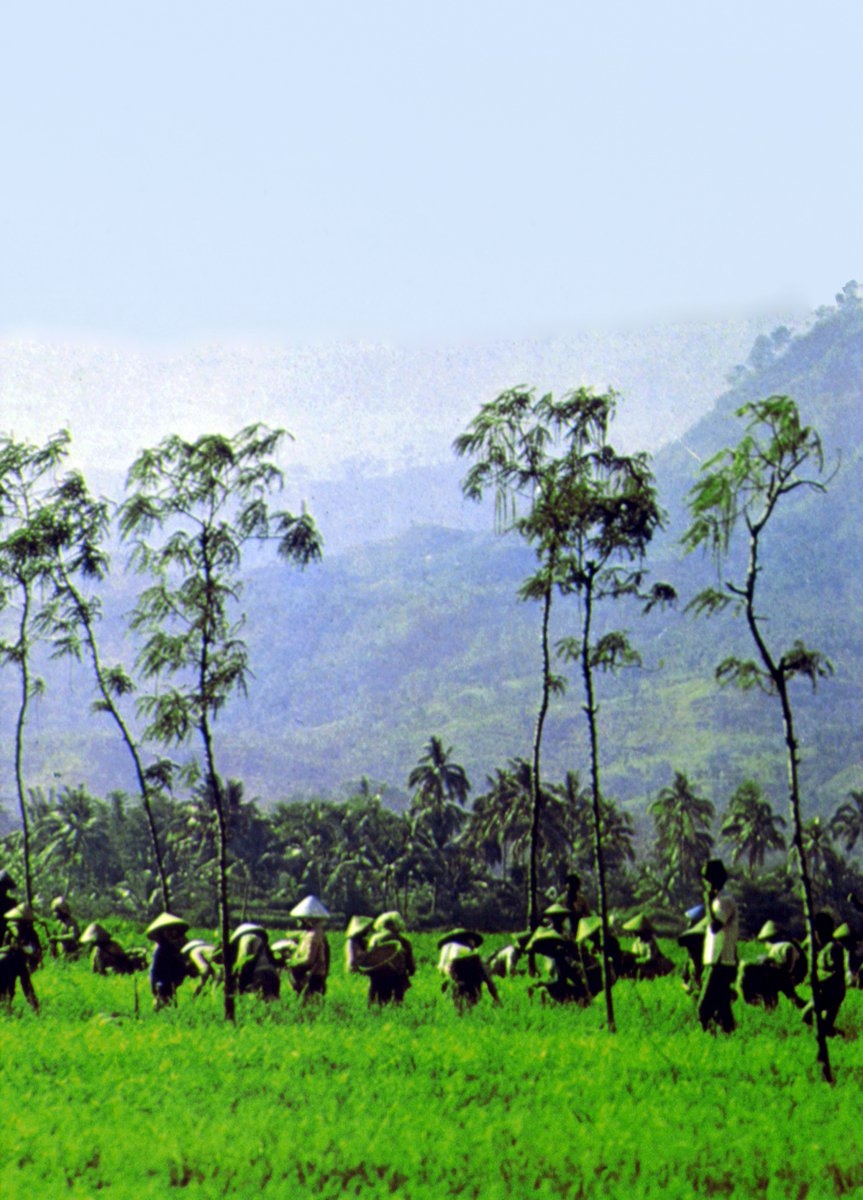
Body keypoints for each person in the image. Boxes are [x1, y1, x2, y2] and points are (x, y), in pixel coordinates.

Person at [698, 858, 739, 1034]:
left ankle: (708, 1039)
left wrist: (707, 903)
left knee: (703, 1008)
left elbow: (715, 927)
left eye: (707, 879)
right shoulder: (718, 901)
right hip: (715, 961)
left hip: (721, 962)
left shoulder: (724, 901)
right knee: (723, 1009)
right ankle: (731, 1042)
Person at [802, 910, 848, 1037]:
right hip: (824, 990)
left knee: (808, 1016)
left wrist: (819, 981)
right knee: (820, 1025)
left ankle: (841, 1038)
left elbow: (836, 973)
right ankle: (841, 1036)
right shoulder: (822, 948)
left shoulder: (833, 948)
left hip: (833, 992)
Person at [358, 911, 415, 1006]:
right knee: (396, 1005)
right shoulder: (404, 941)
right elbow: (411, 966)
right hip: (398, 978)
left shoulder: (375, 939)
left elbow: (369, 958)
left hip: (377, 977)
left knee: (377, 1004)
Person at [438, 929, 501, 1013]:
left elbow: (445, 971)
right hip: (465, 979)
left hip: (451, 979)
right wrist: (495, 997)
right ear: (467, 939)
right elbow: (485, 976)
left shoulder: (446, 950)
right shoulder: (467, 951)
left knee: (457, 1004)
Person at [288, 896, 331, 1003]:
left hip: (312, 978)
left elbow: (309, 960)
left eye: (300, 919)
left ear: (307, 919)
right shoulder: (316, 933)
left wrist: (292, 962)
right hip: (317, 976)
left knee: (309, 1006)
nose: (298, 922)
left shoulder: (312, 936)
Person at [146, 912, 190, 1009]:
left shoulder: (178, 946)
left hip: (174, 981)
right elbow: (153, 969)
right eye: (168, 931)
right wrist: (153, 987)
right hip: (163, 982)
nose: (171, 933)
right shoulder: (160, 948)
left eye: (173, 930)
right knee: (163, 1001)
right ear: (162, 933)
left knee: (171, 1002)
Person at [231, 922, 281, 1001]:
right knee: (272, 1001)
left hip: (258, 974)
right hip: (272, 973)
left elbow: (243, 958)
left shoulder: (246, 937)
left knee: (255, 1001)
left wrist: (235, 973)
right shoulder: (263, 943)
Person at [0, 919, 39, 1012]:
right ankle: (6, 1009)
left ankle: (35, 1007)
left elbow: (33, 950)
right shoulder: (9, 934)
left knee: (26, 986)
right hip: (9, 963)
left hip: (19, 963)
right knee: (8, 988)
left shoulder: (28, 932)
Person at [80, 922, 147, 975]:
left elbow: (123, 954)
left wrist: (138, 951)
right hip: (112, 970)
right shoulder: (98, 951)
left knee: (134, 959)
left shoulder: (112, 945)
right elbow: (99, 968)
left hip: (120, 966)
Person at [623, 913, 673, 981]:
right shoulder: (636, 943)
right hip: (641, 964)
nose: (635, 934)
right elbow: (635, 954)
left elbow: (651, 958)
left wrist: (639, 961)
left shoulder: (650, 943)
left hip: (654, 966)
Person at [3, 903, 44, 971]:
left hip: (24, 950)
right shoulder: (14, 927)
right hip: (14, 949)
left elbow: (35, 941)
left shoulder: (28, 928)